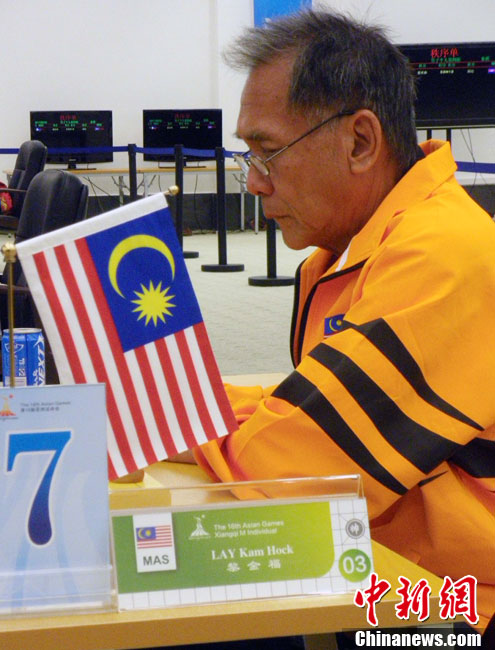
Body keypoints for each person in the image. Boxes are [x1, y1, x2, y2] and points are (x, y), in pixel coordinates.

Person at [189, 7, 495, 634]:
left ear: (360, 142)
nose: (253, 183)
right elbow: (304, 406)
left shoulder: (440, 255)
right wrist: (193, 408)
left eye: (268, 153)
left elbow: (292, 471)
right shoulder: (357, 250)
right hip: (401, 572)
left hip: (459, 605)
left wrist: (170, 420)